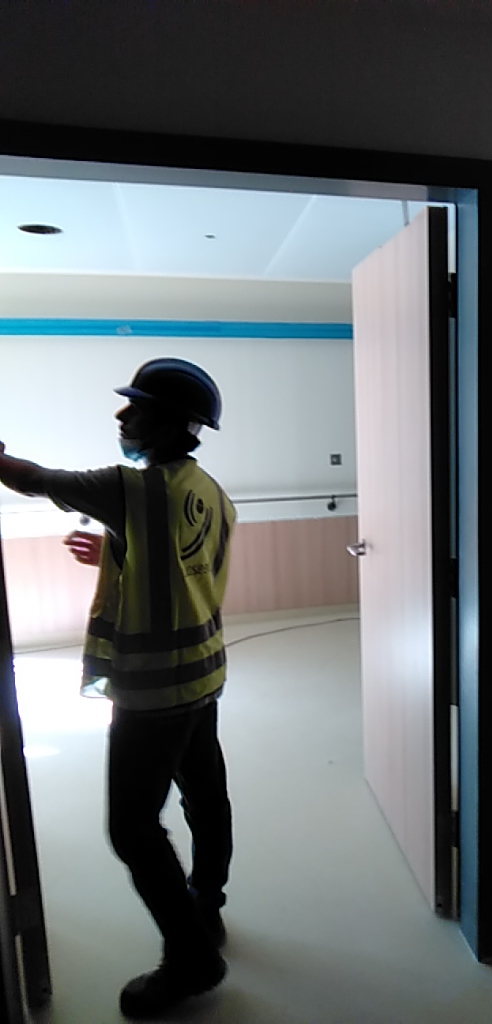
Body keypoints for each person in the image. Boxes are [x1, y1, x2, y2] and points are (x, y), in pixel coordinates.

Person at [0, 358, 236, 1020]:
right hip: (203, 674)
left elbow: (34, 479)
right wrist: (114, 551)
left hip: (154, 691)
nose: (122, 416)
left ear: (173, 424)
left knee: (132, 830)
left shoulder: (132, 488)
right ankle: (207, 906)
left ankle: (191, 959)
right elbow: (187, 565)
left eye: (137, 407)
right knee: (206, 795)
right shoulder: (209, 491)